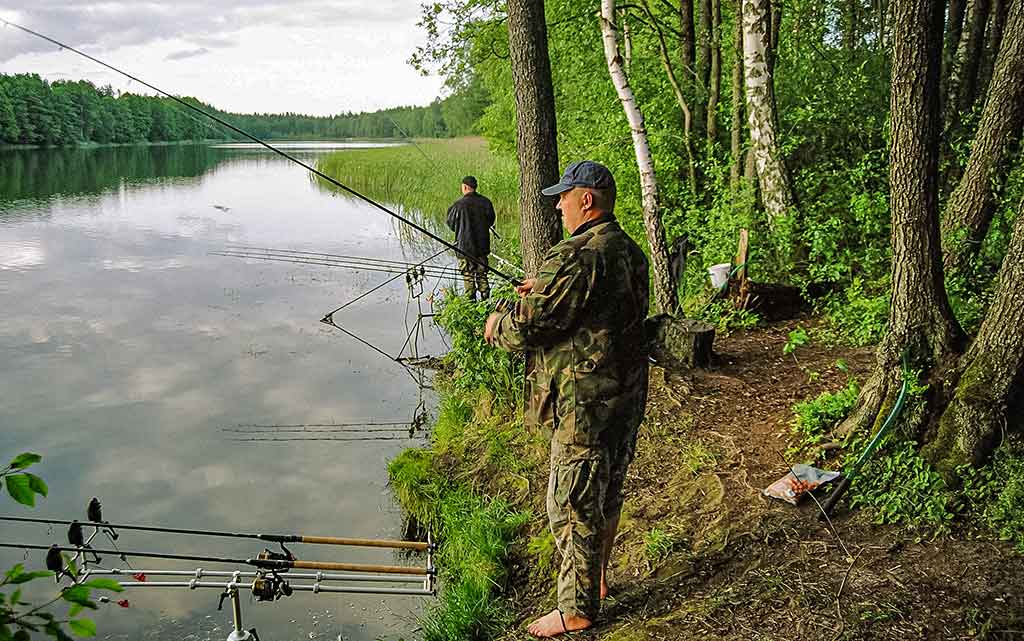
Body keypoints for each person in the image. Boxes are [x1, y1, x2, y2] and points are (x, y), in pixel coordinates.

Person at [484, 160, 650, 638]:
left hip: (584, 407)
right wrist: (542, 290)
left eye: (563, 196)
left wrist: (499, 323)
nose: (557, 205)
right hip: (625, 397)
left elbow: (530, 329)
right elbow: (595, 308)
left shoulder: (575, 257)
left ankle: (576, 609)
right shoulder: (627, 250)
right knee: (607, 491)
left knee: (571, 503)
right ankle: (594, 580)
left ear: (587, 200)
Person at [446, 175, 496, 300]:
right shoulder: (486, 202)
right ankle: (485, 301)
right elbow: (491, 220)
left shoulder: (458, 205)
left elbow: (451, 224)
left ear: (465, 187)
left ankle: (471, 304)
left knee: (468, 277)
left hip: (464, 248)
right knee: (482, 275)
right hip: (482, 248)